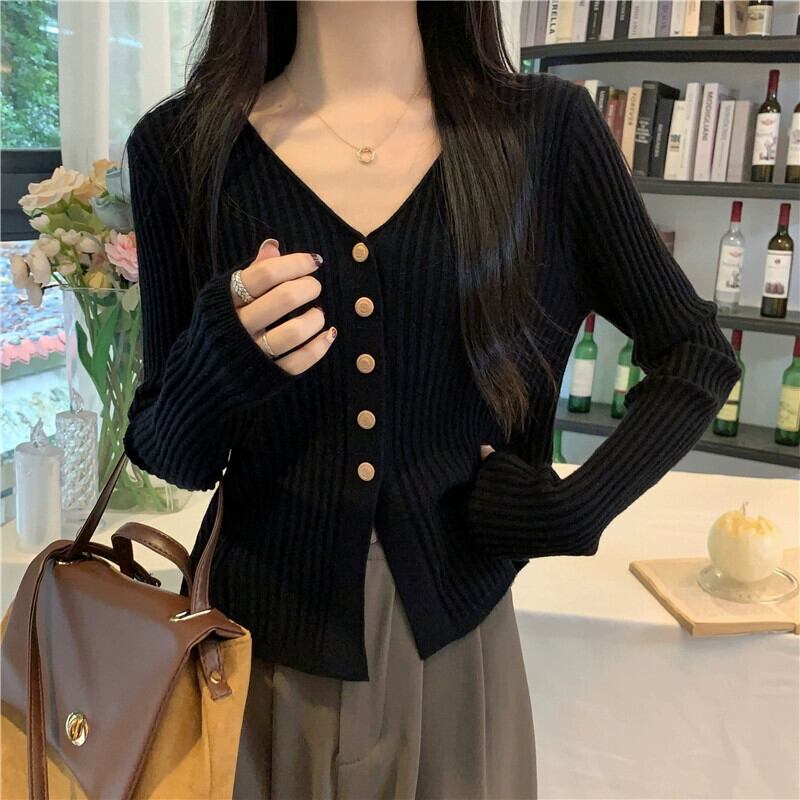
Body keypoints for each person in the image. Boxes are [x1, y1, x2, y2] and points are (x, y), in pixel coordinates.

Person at [121, 2, 742, 798]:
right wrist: (221, 355)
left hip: (456, 655)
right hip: (255, 663)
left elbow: (695, 353)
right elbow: (167, 452)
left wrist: (573, 509)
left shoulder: (542, 133)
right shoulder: (182, 148)